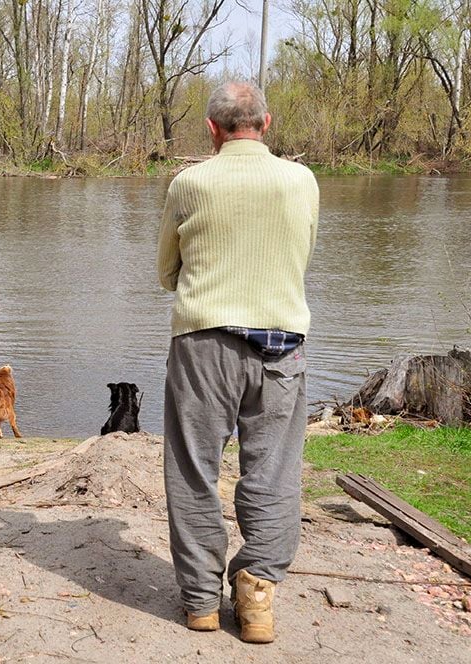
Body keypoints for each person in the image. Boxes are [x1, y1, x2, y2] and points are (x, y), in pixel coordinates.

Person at [156, 81, 319, 644]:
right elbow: (301, 253)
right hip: (283, 347)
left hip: (205, 342)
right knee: (273, 474)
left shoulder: (190, 182)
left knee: (193, 468)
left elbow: (165, 271)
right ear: (267, 124)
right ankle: (256, 597)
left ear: (212, 128)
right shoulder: (302, 181)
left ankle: (201, 601)